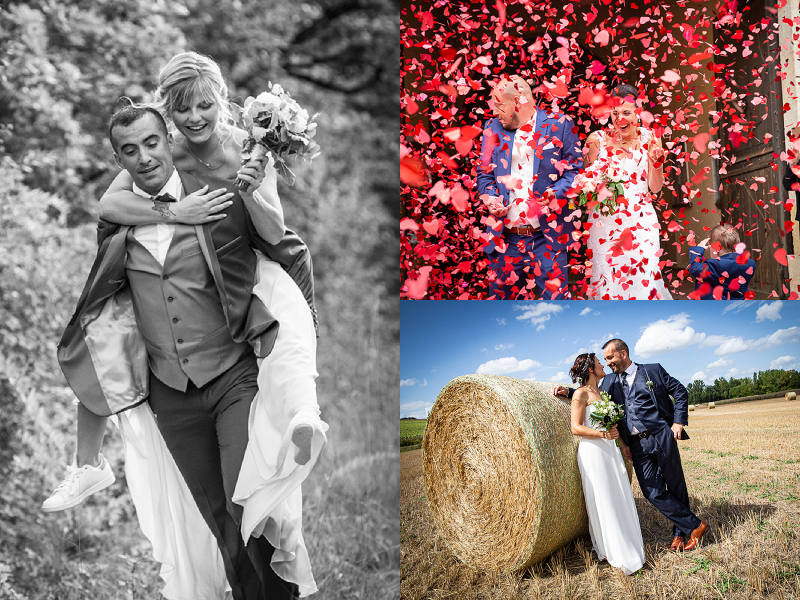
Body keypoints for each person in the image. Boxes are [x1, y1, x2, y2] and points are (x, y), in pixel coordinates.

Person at [54, 93, 322, 600]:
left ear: (170, 142)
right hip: (170, 396)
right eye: (130, 151)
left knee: (249, 507)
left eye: (152, 143)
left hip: (231, 378)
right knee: (220, 520)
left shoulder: (218, 198)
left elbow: (280, 245)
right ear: (118, 160)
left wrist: (303, 328)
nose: (145, 157)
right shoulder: (117, 224)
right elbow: (106, 299)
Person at [554, 339, 708, 553]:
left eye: (610, 358)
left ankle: (679, 534)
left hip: (661, 436)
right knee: (652, 492)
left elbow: (680, 391)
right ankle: (695, 525)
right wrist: (567, 392)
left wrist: (678, 422)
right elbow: (590, 395)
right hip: (636, 446)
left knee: (675, 486)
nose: (607, 363)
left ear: (623, 354)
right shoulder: (609, 382)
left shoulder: (652, 371)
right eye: (604, 360)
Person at [476, 76, 582, 299]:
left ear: (517, 102)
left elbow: (575, 170)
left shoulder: (561, 124)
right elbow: (484, 176)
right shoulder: (491, 127)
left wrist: (555, 192)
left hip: (547, 238)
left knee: (555, 306)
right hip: (505, 238)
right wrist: (491, 199)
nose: (495, 112)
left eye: (499, 105)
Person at [582, 84, 672, 299]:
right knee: (607, 283)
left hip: (642, 222)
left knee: (646, 277)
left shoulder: (650, 138)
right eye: (614, 113)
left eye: (626, 113)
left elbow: (655, 187)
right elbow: (586, 186)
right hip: (605, 222)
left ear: (638, 113)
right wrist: (596, 187)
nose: (619, 119)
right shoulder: (596, 140)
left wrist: (657, 165)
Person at [568, 353, 644, 575]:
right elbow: (576, 428)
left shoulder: (602, 393)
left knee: (618, 493)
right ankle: (614, 549)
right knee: (605, 498)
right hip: (593, 451)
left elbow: (613, 426)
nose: (603, 365)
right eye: (599, 363)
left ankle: (626, 541)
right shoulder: (581, 394)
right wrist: (601, 434)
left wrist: (621, 443)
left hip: (610, 449)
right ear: (591, 369)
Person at [687, 224, 755, 299]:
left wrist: (699, 250)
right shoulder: (751, 263)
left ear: (717, 249)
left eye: (710, 246)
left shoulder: (716, 264)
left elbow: (695, 269)